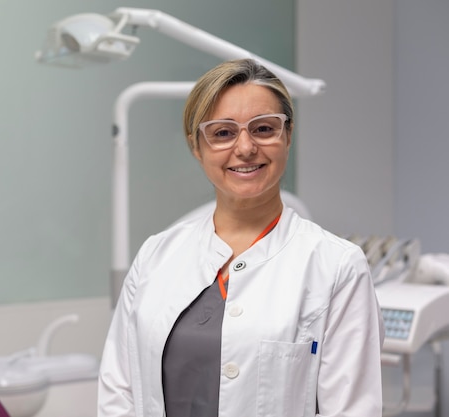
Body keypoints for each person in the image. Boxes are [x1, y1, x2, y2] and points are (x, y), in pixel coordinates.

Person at [97, 58, 384, 417]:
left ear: (288, 136)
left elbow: (352, 409)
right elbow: (119, 390)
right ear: (196, 147)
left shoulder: (337, 265)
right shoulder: (156, 254)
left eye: (264, 129)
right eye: (222, 132)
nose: (246, 148)